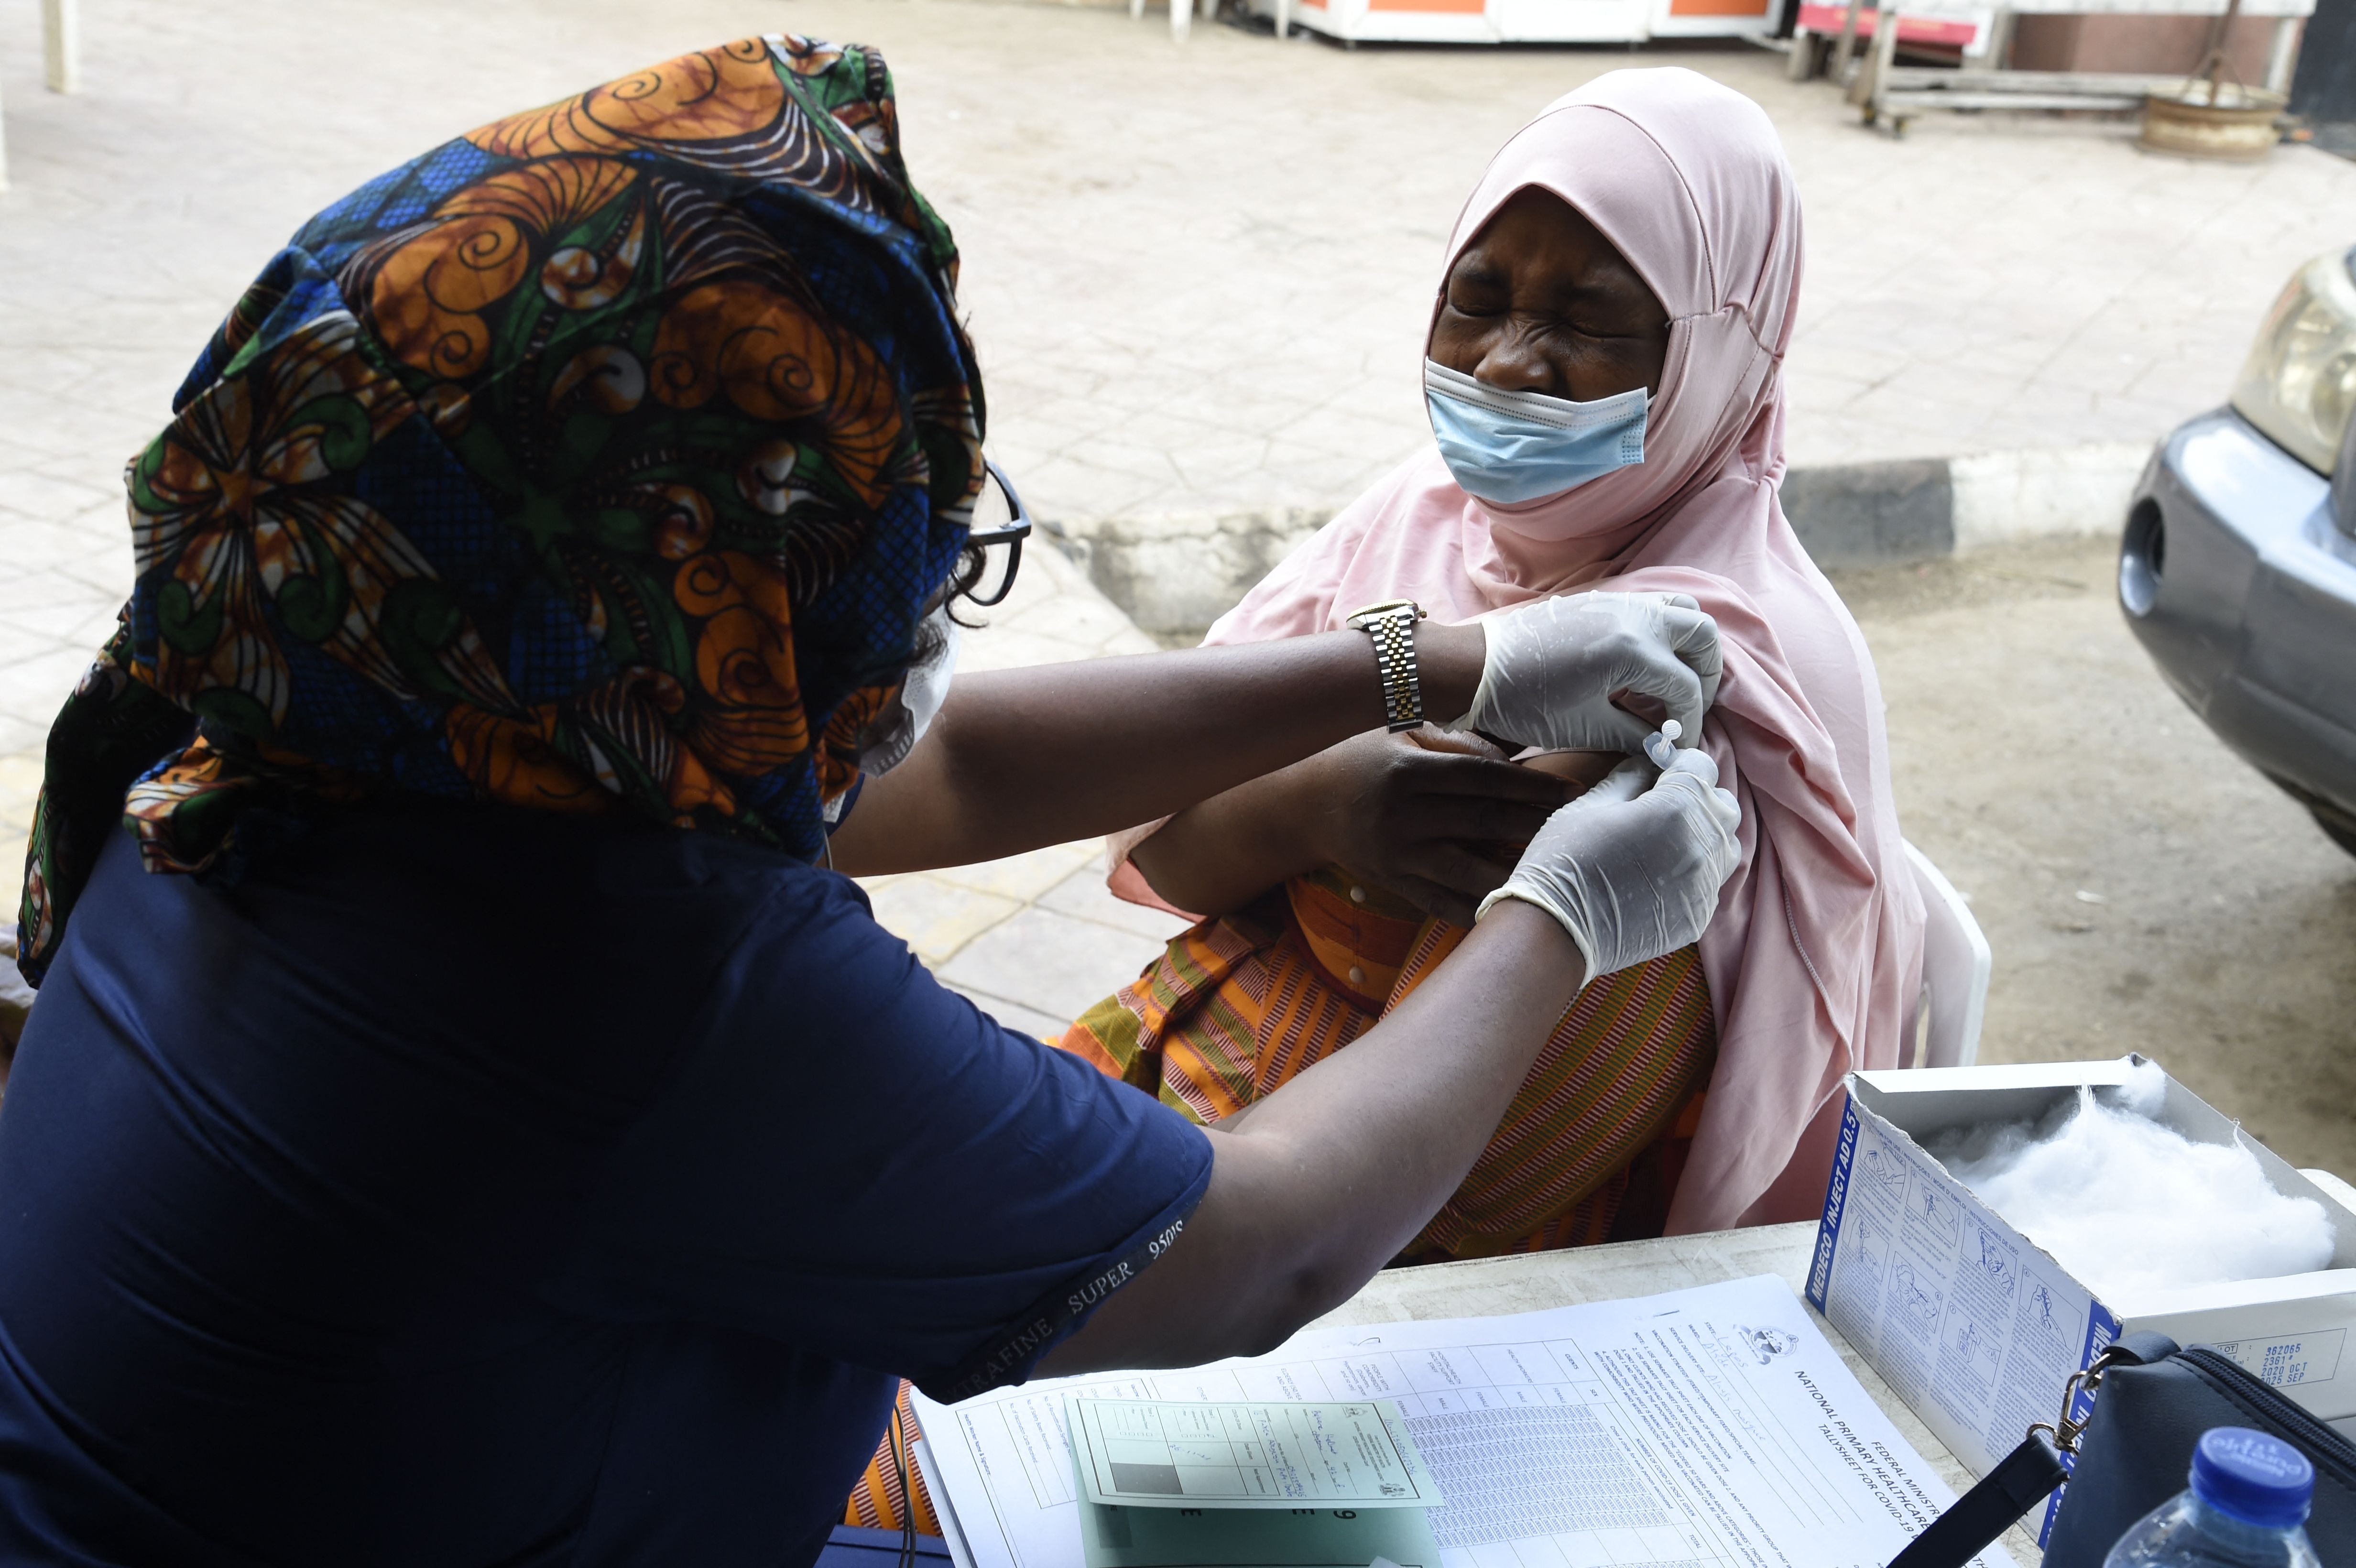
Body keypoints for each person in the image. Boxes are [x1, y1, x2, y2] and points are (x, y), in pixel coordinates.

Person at [0, 37, 1741, 1566]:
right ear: (688, 560)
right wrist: (1555, 917)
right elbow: (1262, 1248)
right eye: (867, 518)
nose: (907, 587)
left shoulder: (327, 698)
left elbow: (952, 765)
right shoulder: (652, 981)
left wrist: (1423, 662)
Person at [1068, 68, 1924, 1270]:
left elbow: (1464, 1180)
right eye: (1476, 299)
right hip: (1196, 1089)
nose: (1508, 366)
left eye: (1585, 321)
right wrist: (1325, 797)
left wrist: (1305, 807)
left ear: (1724, 346)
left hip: (1385, 1255)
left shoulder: (1718, 683)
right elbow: (1155, 837)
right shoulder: (1416, 513)